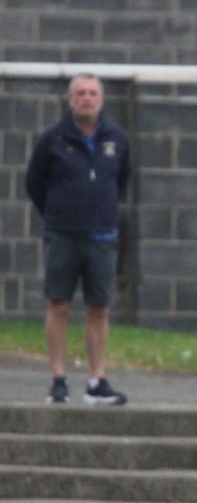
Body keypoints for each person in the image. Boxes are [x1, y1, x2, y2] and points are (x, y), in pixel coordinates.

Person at [25, 72, 131, 406]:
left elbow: (121, 180)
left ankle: (97, 380)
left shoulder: (117, 138)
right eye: (80, 93)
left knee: (98, 308)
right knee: (59, 305)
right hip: (63, 236)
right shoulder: (52, 139)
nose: (87, 98)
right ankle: (58, 379)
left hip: (101, 236)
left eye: (93, 93)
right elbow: (34, 182)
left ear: (101, 99)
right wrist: (59, 214)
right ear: (71, 100)